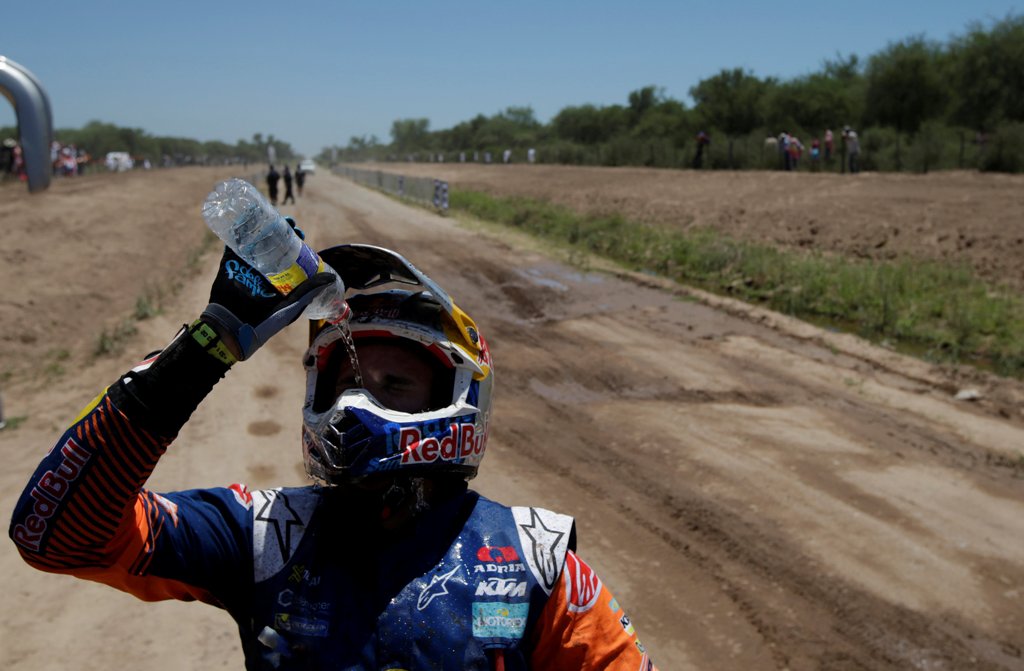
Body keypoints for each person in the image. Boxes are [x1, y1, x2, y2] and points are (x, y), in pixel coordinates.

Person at [9, 230, 658, 670]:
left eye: (393, 383)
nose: (356, 402)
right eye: (344, 379)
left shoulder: (536, 562)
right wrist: (207, 346)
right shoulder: (265, 534)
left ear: (458, 396)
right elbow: (55, 535)